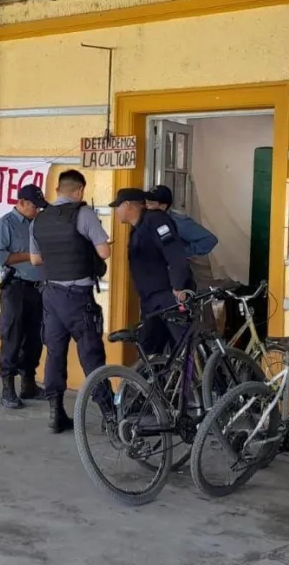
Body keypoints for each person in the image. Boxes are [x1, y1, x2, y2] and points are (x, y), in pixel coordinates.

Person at [30, 170, 111, 433]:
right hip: (78, 298)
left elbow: (35, 260)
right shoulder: (83, 214)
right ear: (79, 191)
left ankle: (55, 413)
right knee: (91, 355)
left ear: (58, 190)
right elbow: (104, 252)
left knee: (54, 354)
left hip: (51, 296)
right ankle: (109, 414)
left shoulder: (38, 221)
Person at [111, 188, 195, 356]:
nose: (115, 211)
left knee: (183, 349)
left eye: (117, 206)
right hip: (152, 301)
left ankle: (206, 381)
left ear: (128, 205)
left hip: (170, 295)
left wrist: (179, 288)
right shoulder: (138, 228)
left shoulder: (156, 221)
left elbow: (175, 255)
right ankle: (149, 382)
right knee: (149, 350)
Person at [0, 183, 47, 409]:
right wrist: (29, 256)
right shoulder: (6, 225)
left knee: (34, 339)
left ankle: (28, 384)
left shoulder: (38, 225)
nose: (37, 211)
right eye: (34, 206)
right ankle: (7, 389)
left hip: (38, 288)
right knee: (12, 337)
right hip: (15, 288)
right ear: (21, 203)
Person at [146, 185, 219, 329]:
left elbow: (210, 239)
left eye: (151, 204)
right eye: (146, 203)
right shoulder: (149, 221)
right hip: (159, 281)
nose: (147, 207)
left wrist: (182, 252)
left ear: (163, 206)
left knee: (183, 323)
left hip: (178, 281)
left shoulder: (178, 222)